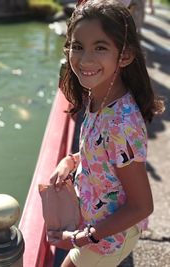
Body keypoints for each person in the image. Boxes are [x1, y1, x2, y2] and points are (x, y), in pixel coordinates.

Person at [47, 0, 165, 266]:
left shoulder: (121, 124)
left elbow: (142, 206)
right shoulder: (98, 96)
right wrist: (71, 160)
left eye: (100, 48)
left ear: (124, 56)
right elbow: (100, 151)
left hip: (108, 240)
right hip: (97, 223)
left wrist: (80, 238)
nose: (84, 59)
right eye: (77, 47)